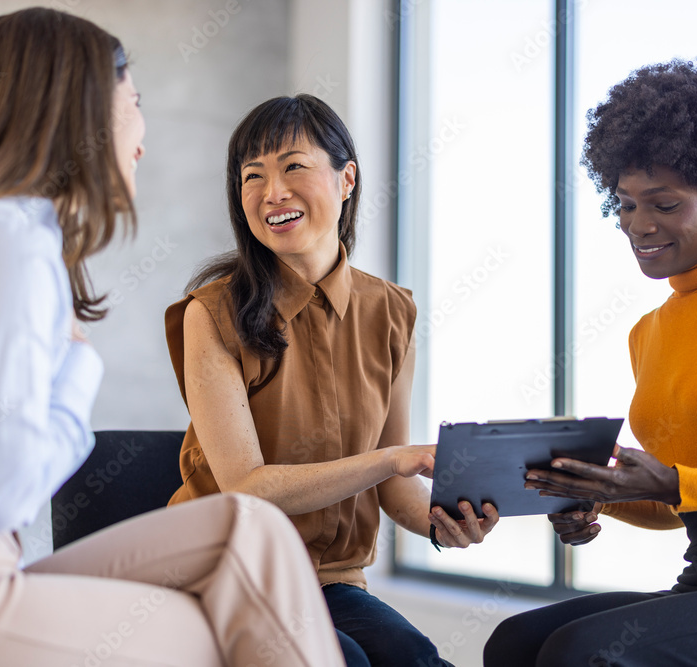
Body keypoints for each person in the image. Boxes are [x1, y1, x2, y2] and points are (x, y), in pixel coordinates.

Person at [0, 9, 344, 666]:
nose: (141, 132)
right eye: (134, 100)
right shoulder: (8, 237)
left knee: (247, 532)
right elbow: (3, 492)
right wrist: (79, 370)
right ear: (81, 108)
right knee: (205, 627)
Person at [483, 59, 697, 666]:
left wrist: (673, 482)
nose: (638, 226)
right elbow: (680, 507)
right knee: (516, 643)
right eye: (624, 205)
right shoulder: (648, 332)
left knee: (580, 653)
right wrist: (598, 494)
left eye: (664, 204)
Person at [164, 93, 500, 666]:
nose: (273, 193)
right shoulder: (211, 312)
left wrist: (446, 523)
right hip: (225, 570)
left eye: (293, 166)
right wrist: (394, 459)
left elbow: (396, 488)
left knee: (415, 659)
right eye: (253, 175)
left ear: (347, 180)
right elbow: (248, 487)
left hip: (331, 580)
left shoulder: (391, 311)